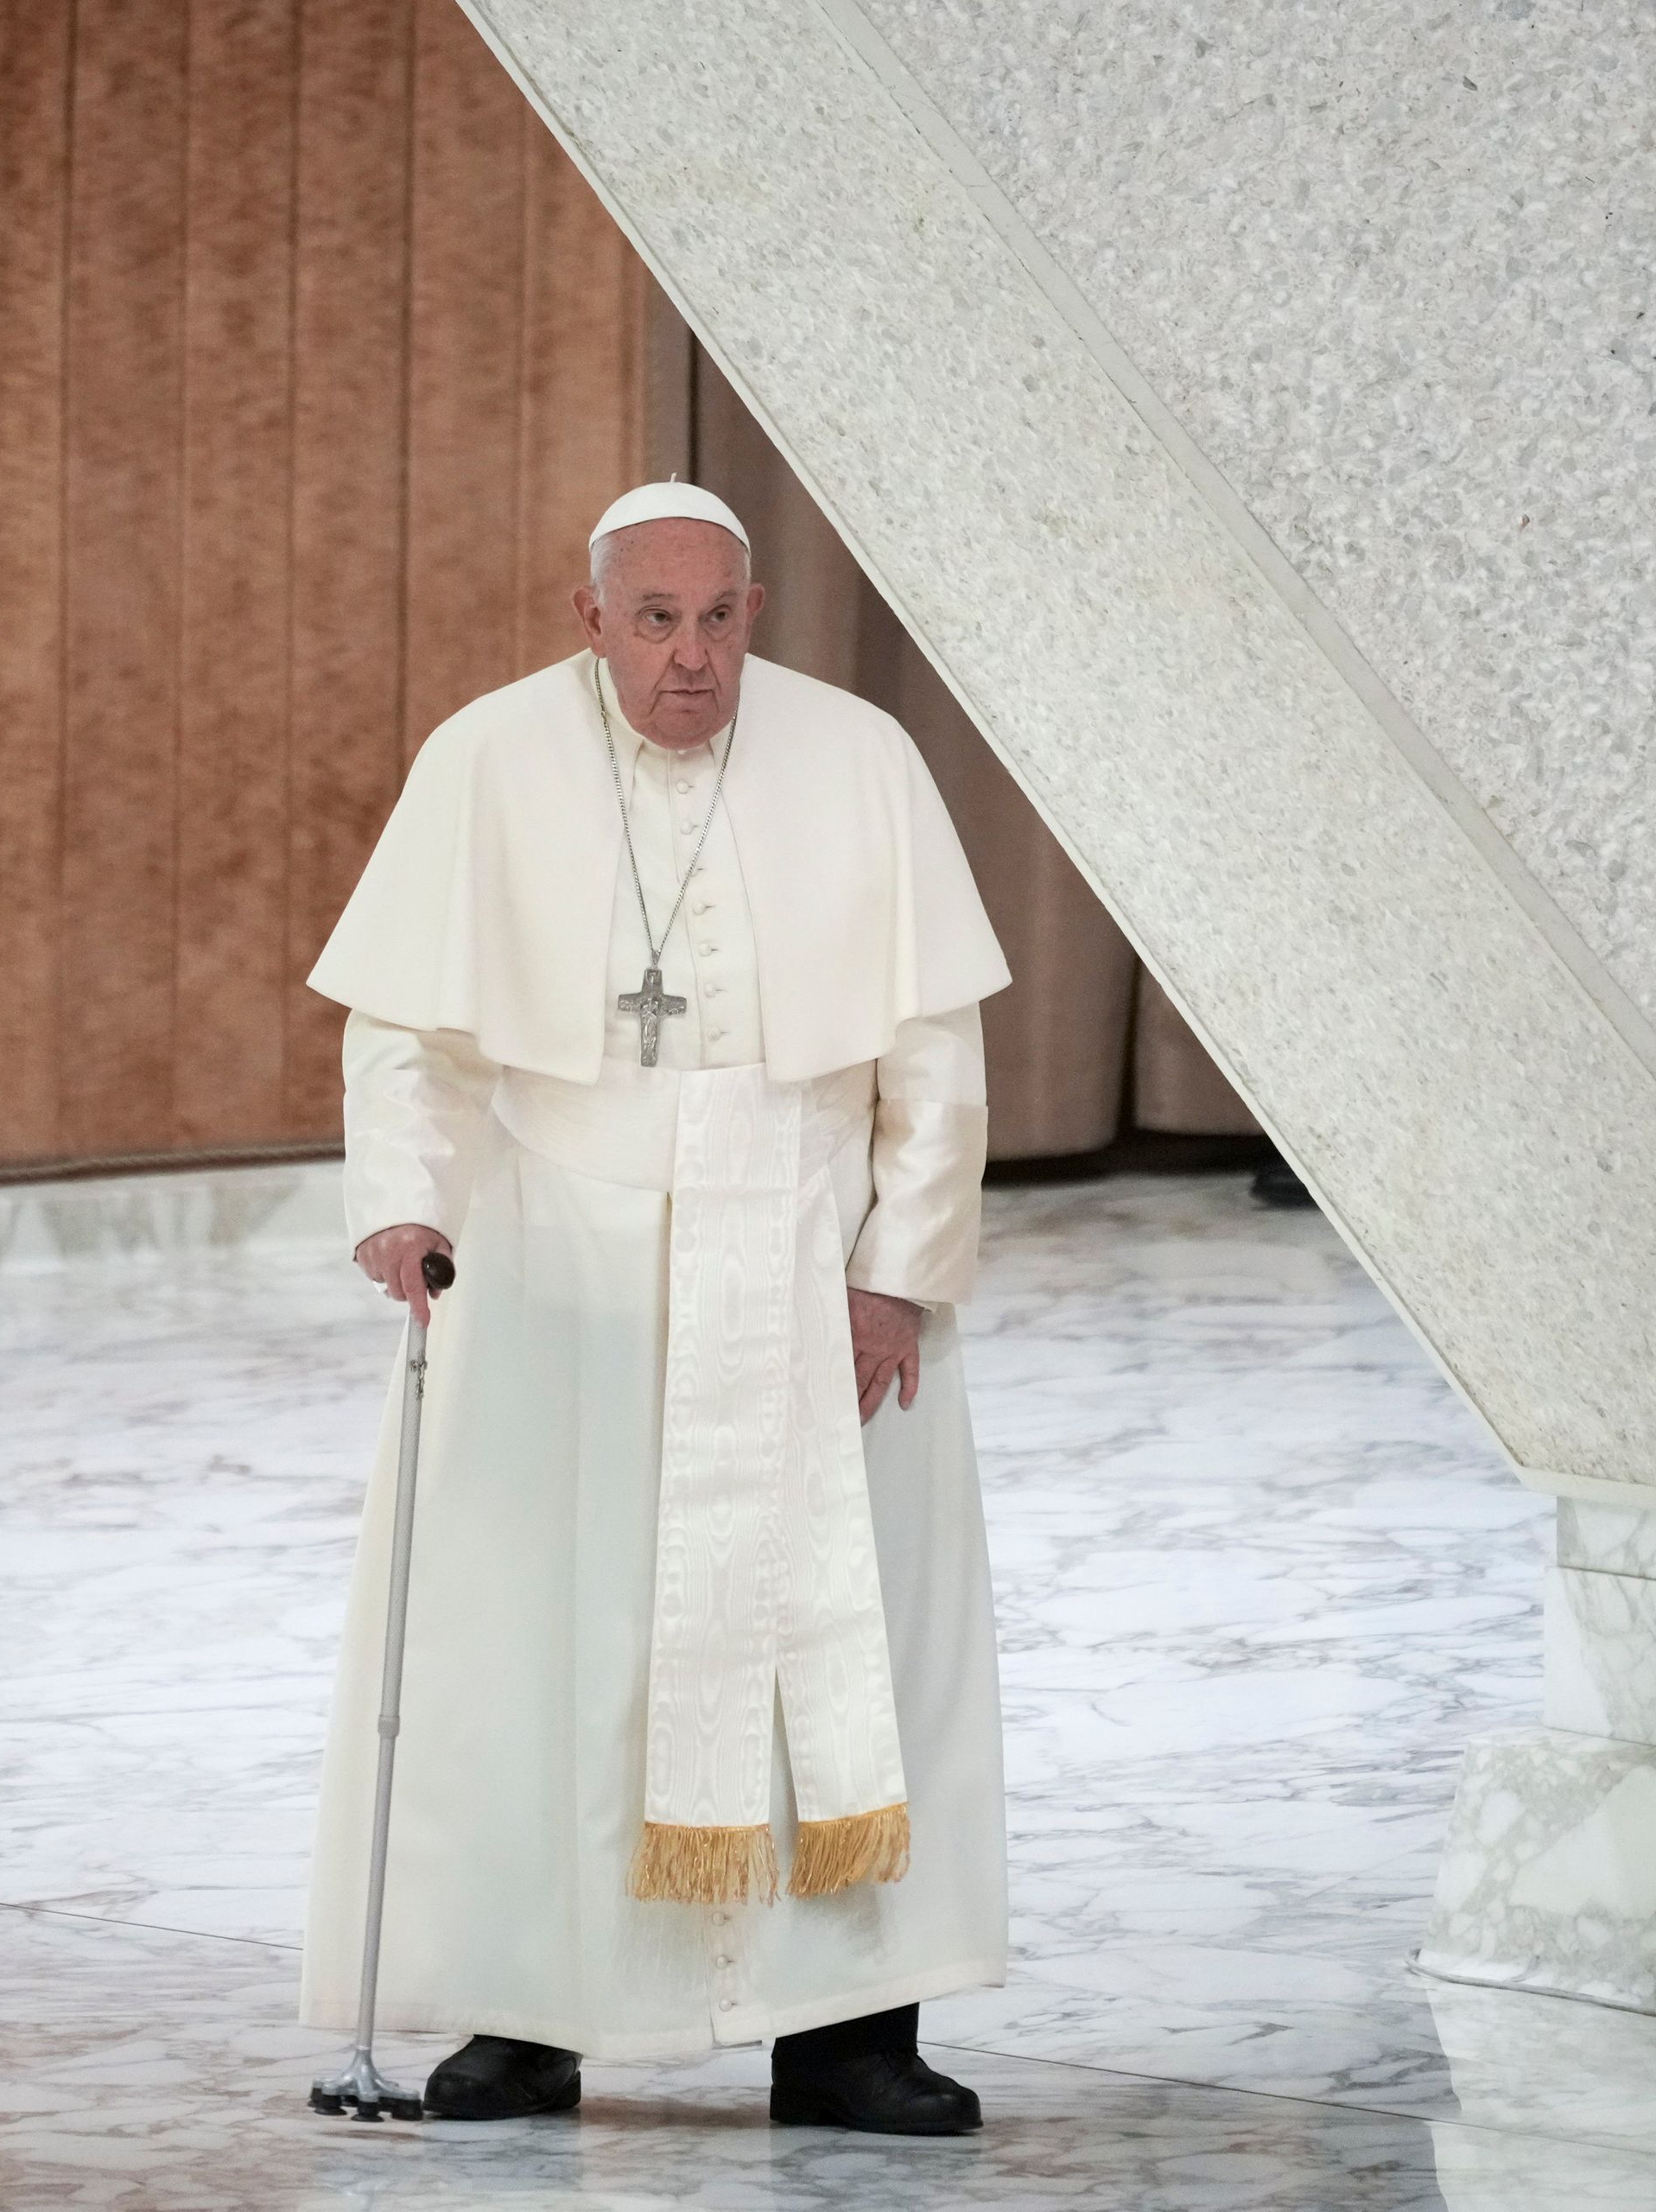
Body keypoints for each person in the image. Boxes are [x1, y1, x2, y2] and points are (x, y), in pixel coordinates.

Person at [299, 480, 1012, 2133]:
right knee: (551, 1639)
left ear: (753, 613)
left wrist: (897, 1274)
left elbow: (933, 1056)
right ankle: (524, 2016)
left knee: (840, 1643)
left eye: (718, 620)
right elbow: (406, 1029)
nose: (690, 660)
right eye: (654, 621)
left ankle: (846, 2032)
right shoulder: (485, 760)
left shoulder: (859, 761)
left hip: (806, 1241)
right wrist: (402, 1198)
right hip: (561, 1255)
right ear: (590, 618)